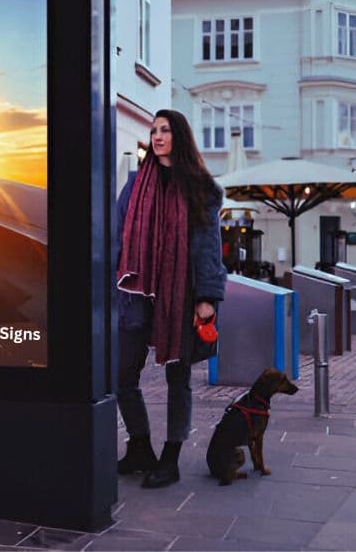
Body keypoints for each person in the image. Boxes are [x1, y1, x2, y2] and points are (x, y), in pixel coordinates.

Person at [114, 109, 227, 488]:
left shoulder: (200, 187)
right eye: (154, 130)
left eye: (165, 130)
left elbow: (209, 245)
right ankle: (140, 445)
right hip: (137, 293)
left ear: (179, 135)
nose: (158, 136)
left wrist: (208, 296)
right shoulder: (135, 184)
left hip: (181, 292)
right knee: (122, 374)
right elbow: (117, 233)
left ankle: (172, 456)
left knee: (178, 378)